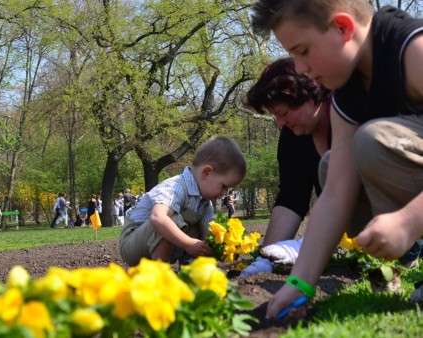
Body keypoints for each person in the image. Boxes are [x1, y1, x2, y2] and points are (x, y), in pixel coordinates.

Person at [249, 0, 423, 319]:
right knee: (332, 165)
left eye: (302, 51)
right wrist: (300, 283)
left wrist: (410, 220)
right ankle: (386, 274)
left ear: (343, 28)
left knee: (372, 141)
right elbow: (335, 193)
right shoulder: (347, 92)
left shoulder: (413, 52)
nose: (300, 69)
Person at [240, 57, 332, 276]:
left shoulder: (350, 114)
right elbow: (291, 197)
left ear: (309, 97)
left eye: (283, 113)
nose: (280, 123)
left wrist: (306, 246)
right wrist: (267, 259)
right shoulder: (294, 135)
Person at [119, 136, 247, 267]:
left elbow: (206, 240)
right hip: (133, 244)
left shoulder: (205, 204)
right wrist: (188, 244)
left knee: (197, 226)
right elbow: (157, 218)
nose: (225, 193)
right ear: (207, 173)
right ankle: (158, 275)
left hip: (152, 242)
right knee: (171, 218)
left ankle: (191, 271)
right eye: (224, 186)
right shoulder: (176, 187)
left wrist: (225, 244)